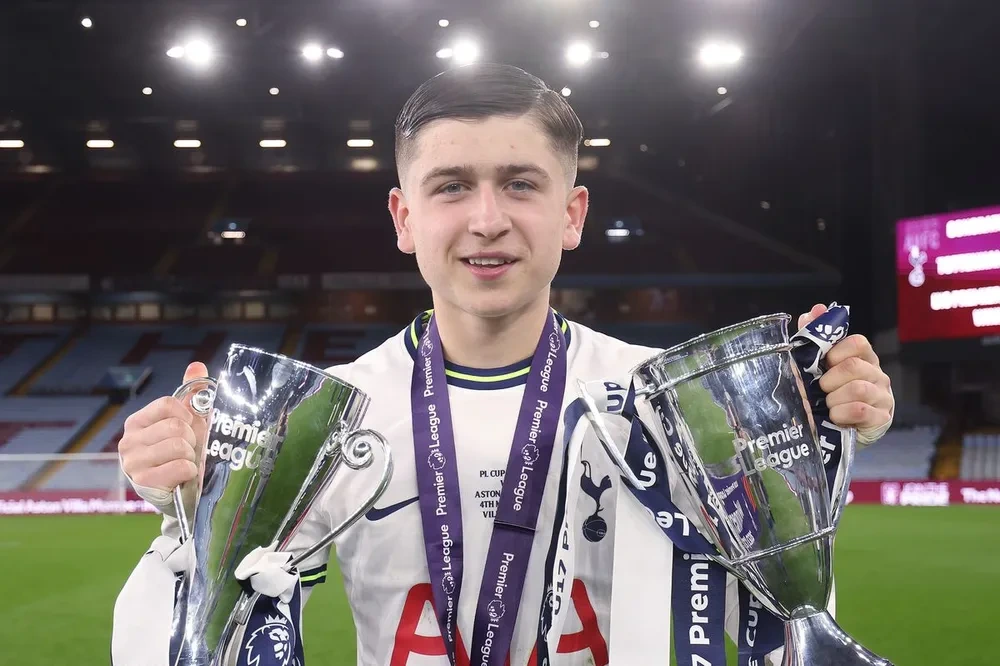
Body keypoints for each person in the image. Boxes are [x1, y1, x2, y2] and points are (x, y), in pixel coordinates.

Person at [115, 63, 895, 666]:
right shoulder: (329, 415)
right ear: (404, 218)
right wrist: (192, 506)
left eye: (520, 184)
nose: (487, 220)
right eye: (451, 187)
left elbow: (772, 619)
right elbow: (225, 627)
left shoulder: (672, 399)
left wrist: (810, 437)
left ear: (571, 214)